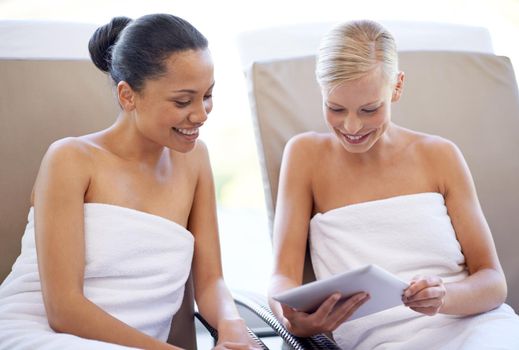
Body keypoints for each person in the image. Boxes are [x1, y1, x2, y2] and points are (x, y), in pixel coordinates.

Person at [0, 14, 259, 350]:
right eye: (183, 101)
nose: (201, 114)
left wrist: (232, 326)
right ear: (128, 96)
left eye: (207, 95)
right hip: (44, 335)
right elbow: (64, 311)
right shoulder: (71, 159)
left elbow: (210, 282)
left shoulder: (194, 161)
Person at [268, 19, 519, 349]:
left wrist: (444, 297)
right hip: (384, 342)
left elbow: (492, 281)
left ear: (397, 87)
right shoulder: (305, 156)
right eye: (335, 108)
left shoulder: (439, 155)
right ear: (322, 93)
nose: (352, 126)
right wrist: (290, 318)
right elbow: (282, 276)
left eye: (370, 109)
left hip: (476, 327)